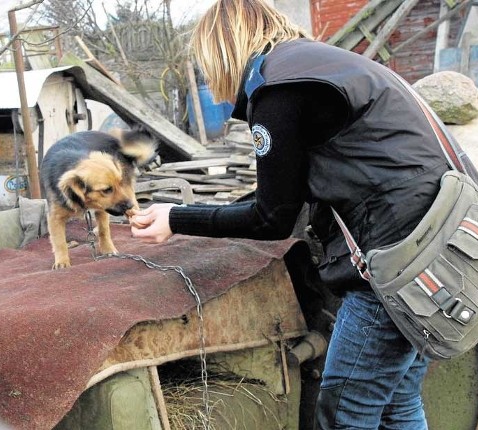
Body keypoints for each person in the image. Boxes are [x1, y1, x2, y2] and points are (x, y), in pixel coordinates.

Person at [129, 0, 450, 428]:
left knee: (345, 412)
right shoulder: (322, 65)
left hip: (392, 262)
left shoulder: (277, 88)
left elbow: (271, 218)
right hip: (436, 243)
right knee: (398, 400)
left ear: (222, 49)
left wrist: (175, 218)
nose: (210, 78)